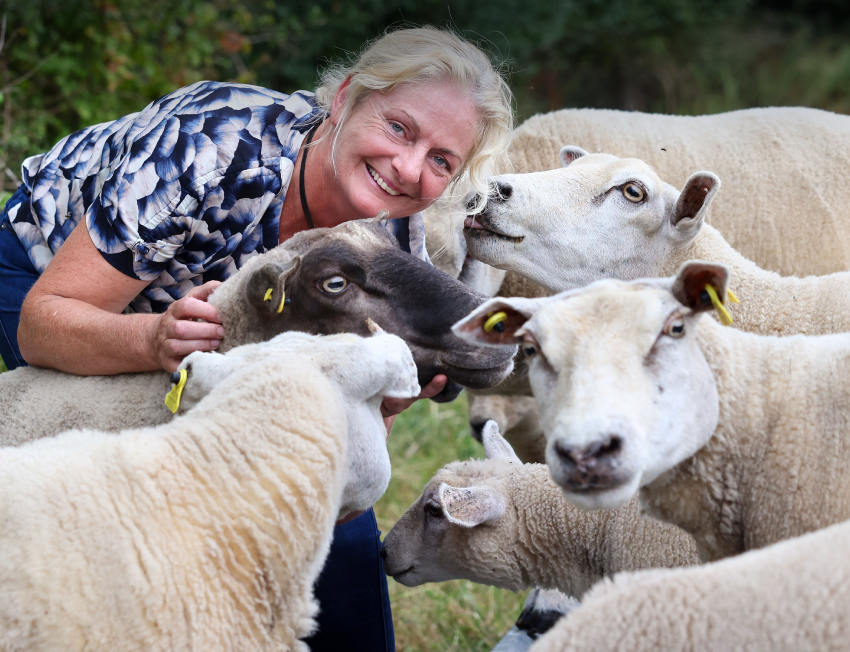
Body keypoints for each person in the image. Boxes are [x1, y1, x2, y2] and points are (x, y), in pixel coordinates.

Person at [0, 24, 513, 650]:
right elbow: (43, 318)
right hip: (57, 277)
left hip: (214, 321)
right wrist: (147, 340)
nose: (407, 169)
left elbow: (346, 474)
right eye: (399, 128)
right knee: (144, 458)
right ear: (346, 97)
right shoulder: (209, 146)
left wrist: (374, 411)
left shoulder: (390, 238)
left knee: (297, 477)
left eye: (441, 161)